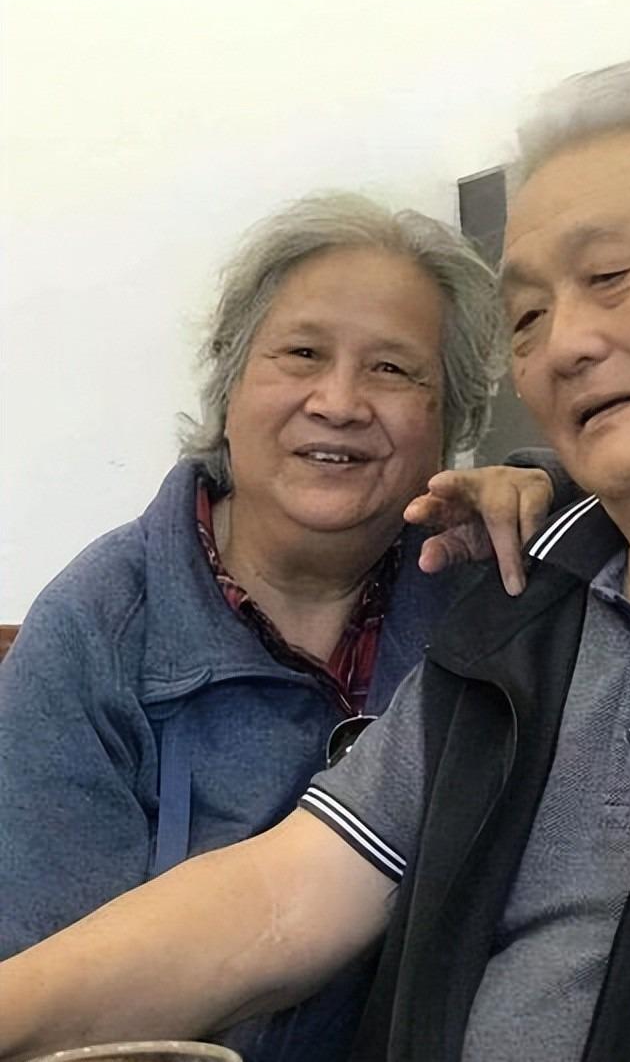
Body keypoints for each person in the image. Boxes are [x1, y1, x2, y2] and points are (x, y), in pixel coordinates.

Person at [4, 60, 630, 1062]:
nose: (565, 343)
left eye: (610, 276)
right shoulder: (522, 609)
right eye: (527, 317)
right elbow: (285, 895)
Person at [0, 193, 560, 1062]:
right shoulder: (95, 632)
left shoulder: (497, 594)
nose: (338, 401)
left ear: (450, 422)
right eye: (301, 353)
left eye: (392, 369)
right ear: (229, 385)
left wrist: (555, 491)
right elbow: (51, 999)